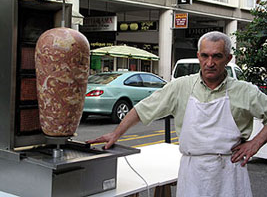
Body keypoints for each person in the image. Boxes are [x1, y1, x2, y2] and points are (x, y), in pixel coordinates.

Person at [86, 31, 267, 197]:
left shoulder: (245, 91)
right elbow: (142, 109)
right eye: (205, 56)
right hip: (192, 173)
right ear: (198, 56)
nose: (210, 63)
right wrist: (116, 133)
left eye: (217, 56)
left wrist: (255, 143)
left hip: (230, 174)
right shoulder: (180, 87)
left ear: (228, 58)